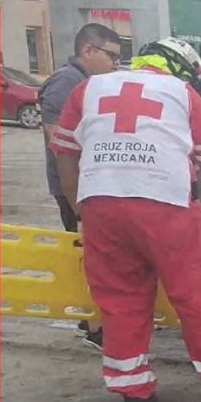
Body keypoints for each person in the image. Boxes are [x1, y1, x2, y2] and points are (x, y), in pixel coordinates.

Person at [48, 37, 201, 402]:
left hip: (101, 203)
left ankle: (133, 391)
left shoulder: (88, 88)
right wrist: (200, 222)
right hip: (166, 205)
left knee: (119, 299)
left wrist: (79, 206)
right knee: (198, 297)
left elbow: (65, 153)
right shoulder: (183, 94)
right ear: (180, 68)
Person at [37, 23, 123, 349]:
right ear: (88, 50)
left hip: (90, 183)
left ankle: (96, 320)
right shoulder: (67, 81)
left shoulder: (88, 83)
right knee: (90, 256)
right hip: (74, 186)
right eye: (111, 55)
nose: (117, 63)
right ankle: (93, 327)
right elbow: (55, 133)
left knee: (99, 255)